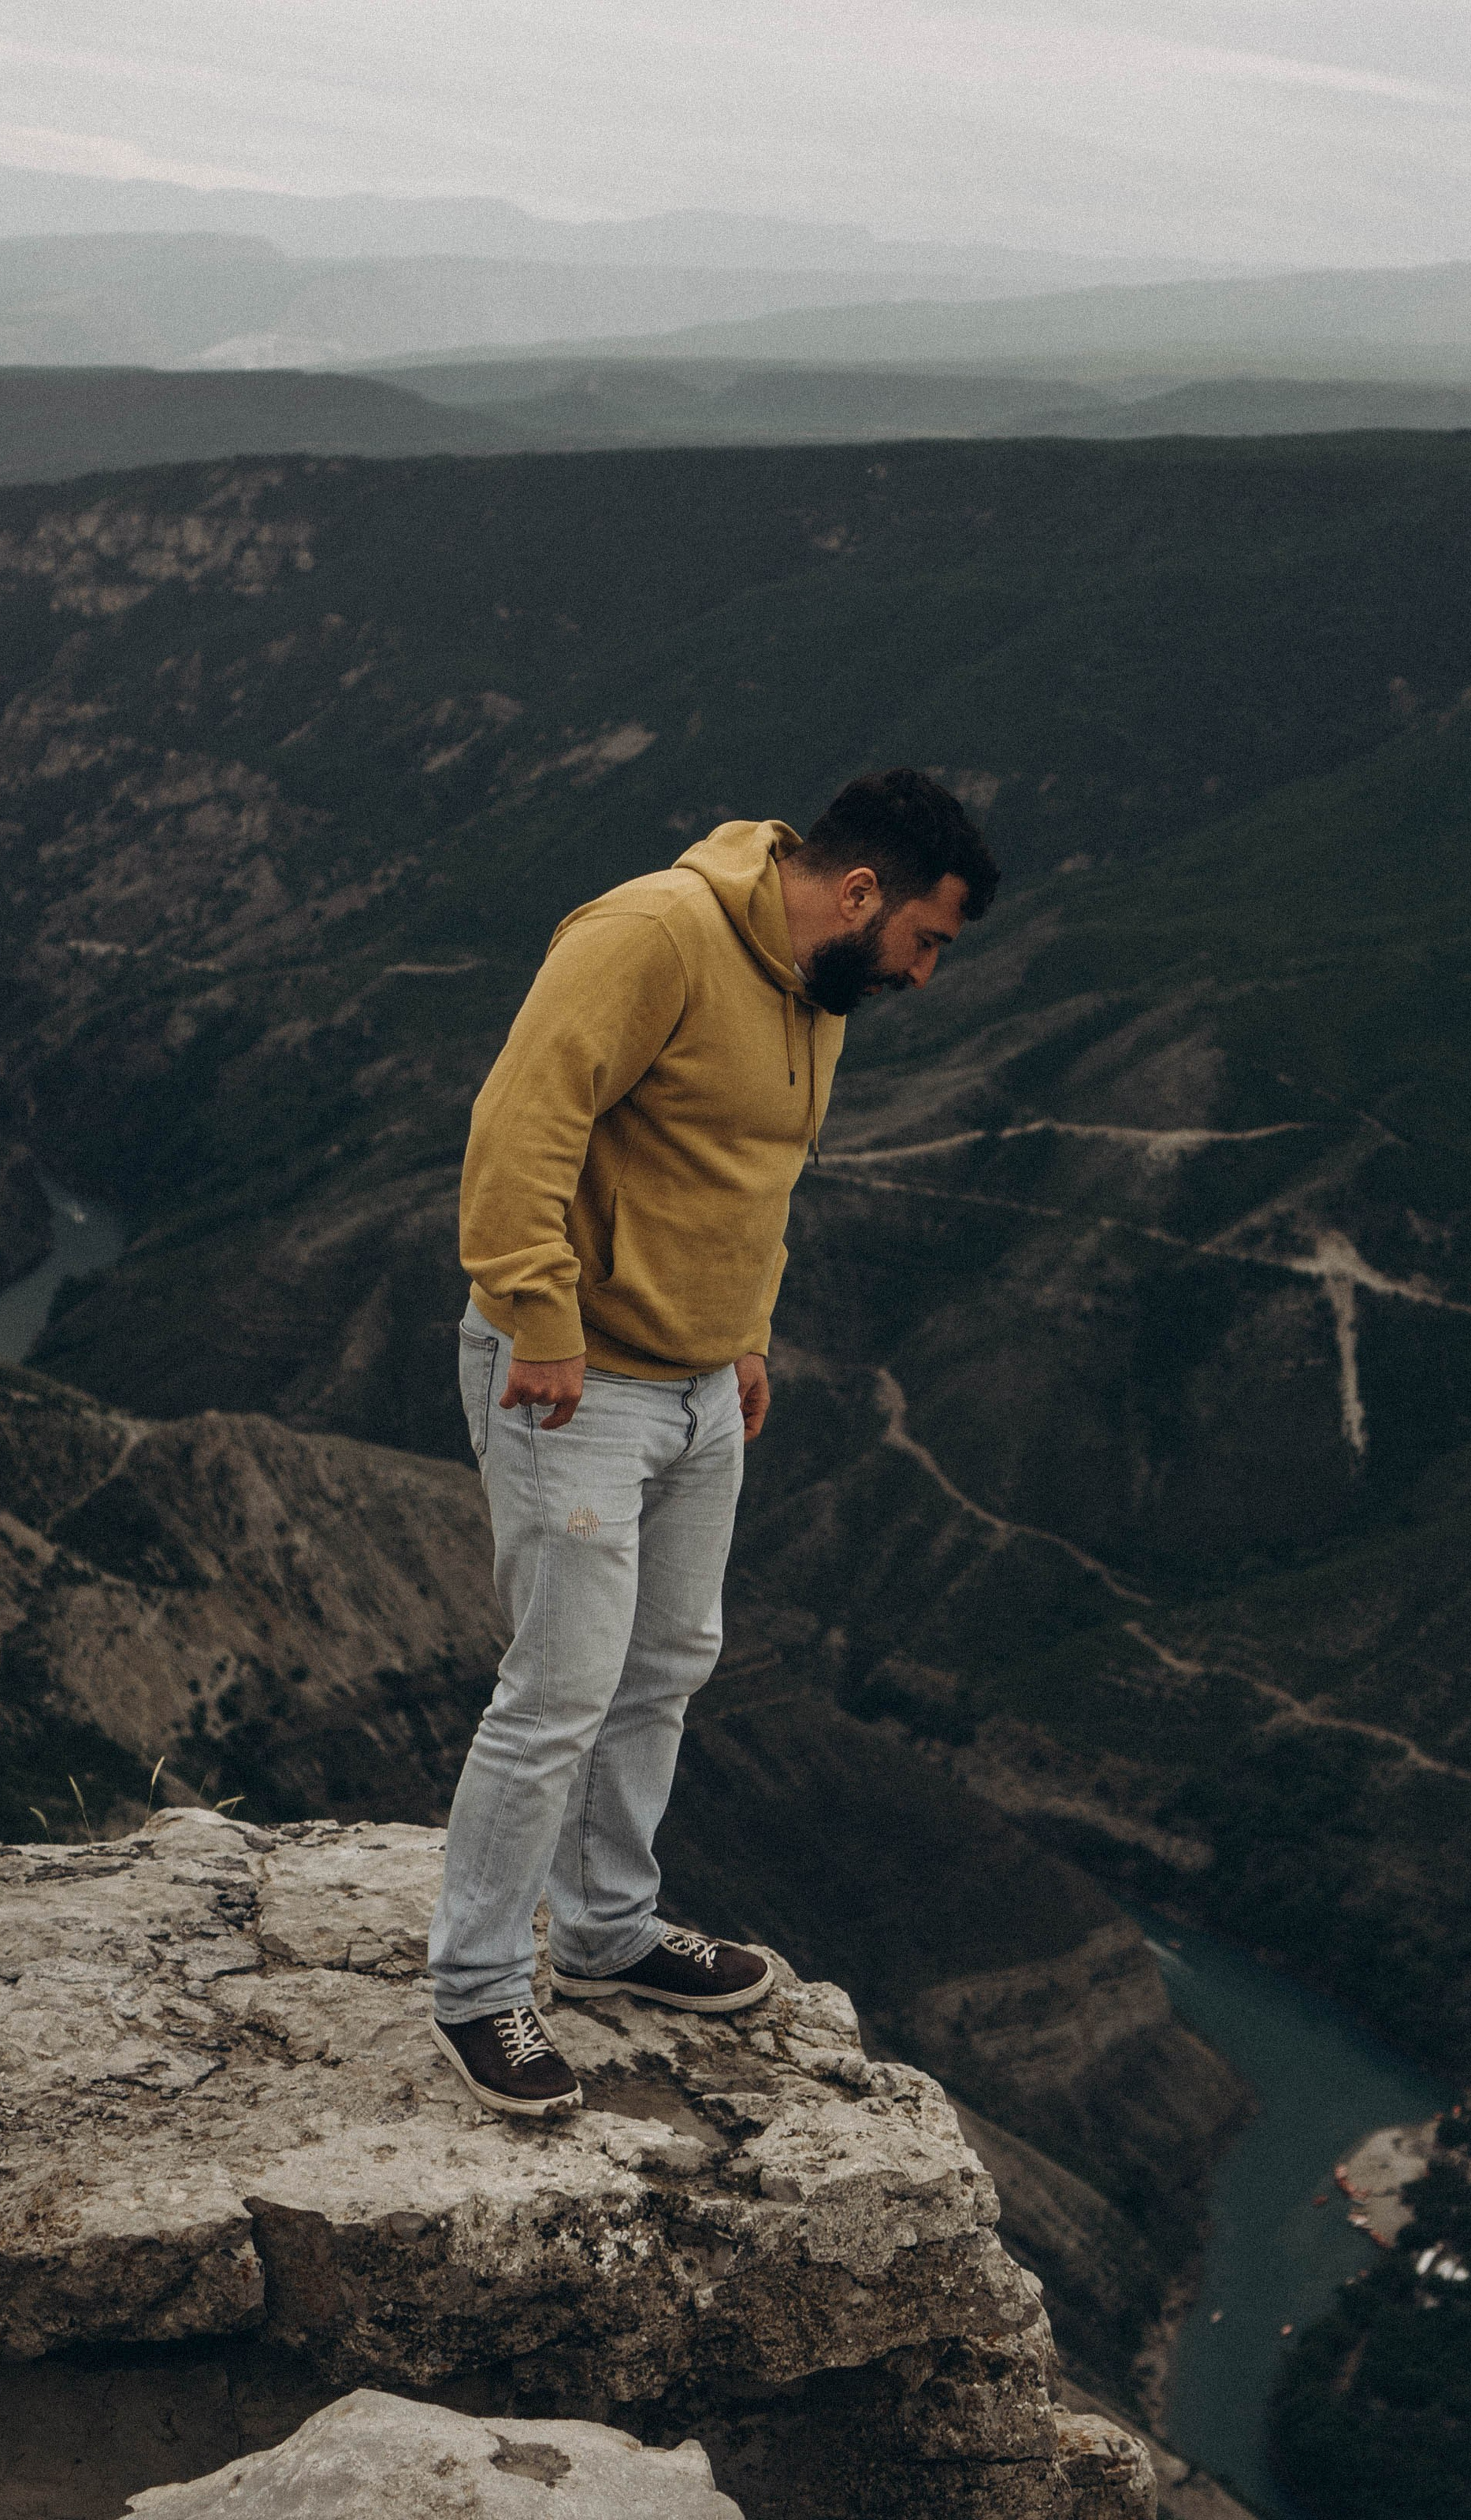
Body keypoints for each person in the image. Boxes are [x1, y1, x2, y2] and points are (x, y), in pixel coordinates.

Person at [428, 768, 1000, 2116]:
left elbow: (753, 1175)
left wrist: (746, 1334)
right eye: (925, 939)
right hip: (575, 1379)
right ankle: (477, 1987)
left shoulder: (818, 992)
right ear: (857, 892)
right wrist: (539, 1316)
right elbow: (520, 1125)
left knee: (668, 1662)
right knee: (559, 1687)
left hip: (695, 1383)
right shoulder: (653, 933)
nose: (923, 974)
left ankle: (609, 1931)